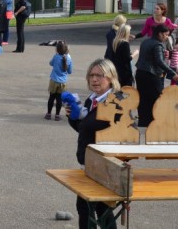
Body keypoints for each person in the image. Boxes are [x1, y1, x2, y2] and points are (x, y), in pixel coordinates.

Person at [66, 59, 121, 229]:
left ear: (111, 78)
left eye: (99, 75)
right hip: (90, 163)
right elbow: (86, 130)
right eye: (91, 75)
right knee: (90, 207)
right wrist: (73, 117)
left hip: (105, 164)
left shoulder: (116, 102)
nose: (94, 79)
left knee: (95, 207)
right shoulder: (92, 100)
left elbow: (126, 132)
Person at [135, 24, 178, 127]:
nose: (167, 37)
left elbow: (149, 57)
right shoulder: (157, 45)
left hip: (140, 72)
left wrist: (163, 55)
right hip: (151, 74)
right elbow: (159, 61)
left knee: (143, 98)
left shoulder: (145, 41)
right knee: (157, 97)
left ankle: (143, 121)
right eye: (166, 34)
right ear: (160, 34)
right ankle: (156, 120)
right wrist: (172, 73)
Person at [47, 41, 73, 121]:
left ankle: (48, 114)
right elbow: (70, 71)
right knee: (59, 99)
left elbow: (50, 63)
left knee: (51, 97)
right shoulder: (68, 59)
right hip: (63, 82)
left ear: (57, 50)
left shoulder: (56, 57)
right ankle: (57, 115)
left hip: (54, 80)